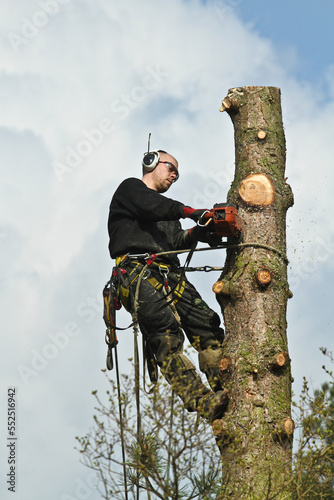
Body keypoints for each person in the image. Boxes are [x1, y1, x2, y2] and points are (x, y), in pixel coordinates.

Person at [107, 148, 228, 422]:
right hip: (138, 273)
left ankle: (227, 385)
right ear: (151, 163)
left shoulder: (166, 212)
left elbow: (175, 242)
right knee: (167, 338)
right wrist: (190, 211)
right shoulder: (131, 191)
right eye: (170, 167)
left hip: (171, 275)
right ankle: (202, 401)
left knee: (207, 326)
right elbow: (156, 206)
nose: (175, 174)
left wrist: (201, 230)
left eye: (178, 172)